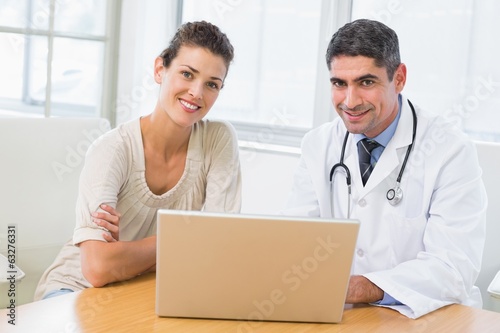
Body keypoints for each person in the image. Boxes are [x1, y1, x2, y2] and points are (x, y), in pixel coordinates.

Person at [283, 19, 487, 319]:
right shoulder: (318, 146)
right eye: (339, 83)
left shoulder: (450, 150)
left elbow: (453, 269)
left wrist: (362, 287)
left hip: (428, 317)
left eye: (366, 82)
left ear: (399, 78)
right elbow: (293, 241)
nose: (350, 102)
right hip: (347, 317)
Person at [34, 21, 241, 300]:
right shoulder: (112, 150)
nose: (197, 93)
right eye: (187, 74)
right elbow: (97, 268)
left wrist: (125, 253)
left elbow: (221, 247)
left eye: (212, 84)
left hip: (145, 292)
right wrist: (187, 238)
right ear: (160, 69)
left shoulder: (218, 140)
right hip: (72, 291)